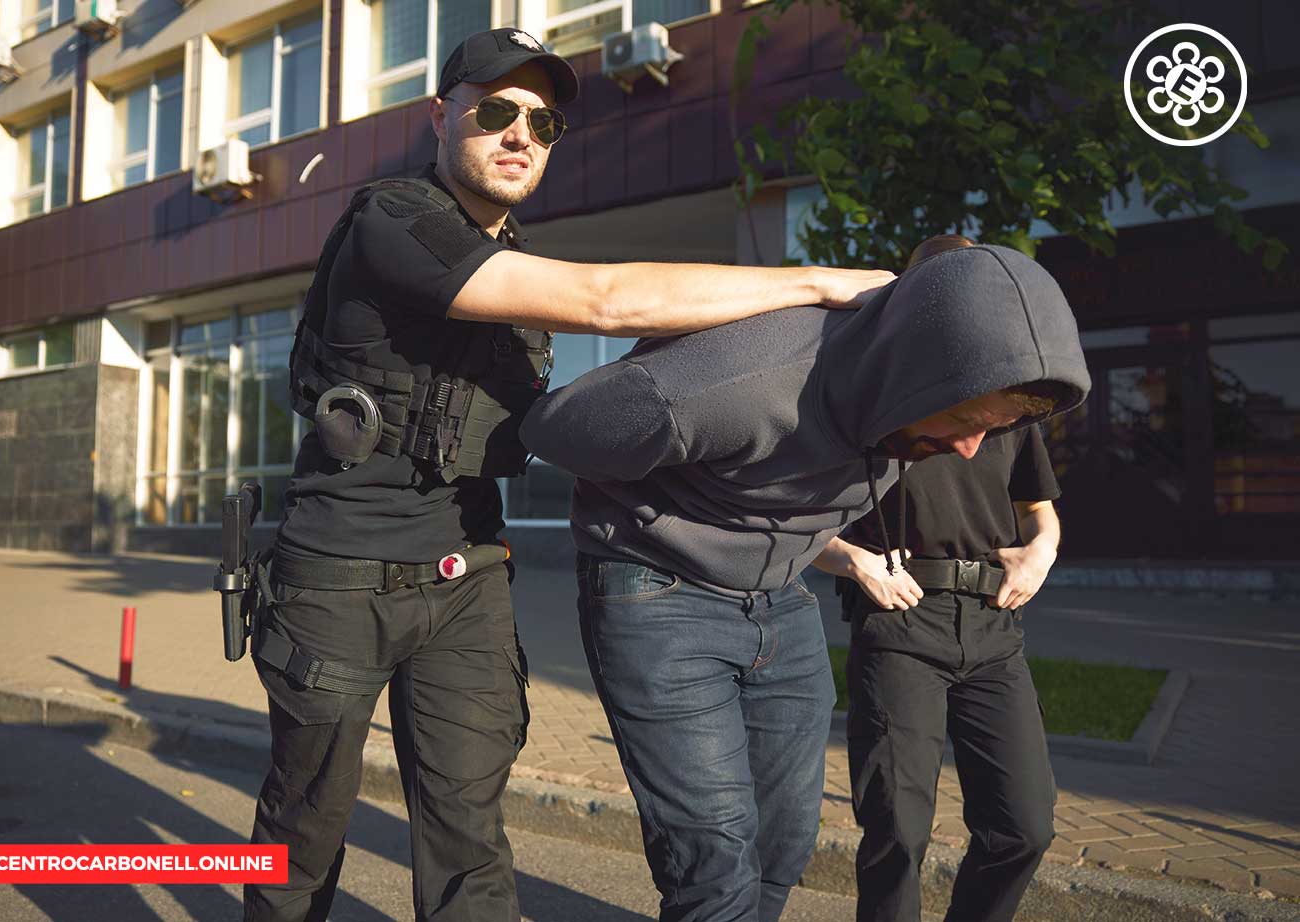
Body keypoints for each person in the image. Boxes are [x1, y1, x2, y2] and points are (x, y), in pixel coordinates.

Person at [243, 26, 895, 922]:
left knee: (470, 830)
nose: (520, 135)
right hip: (337, 575)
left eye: (543, 125)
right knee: (304, 825)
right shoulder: (391, 218)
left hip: (465, 570)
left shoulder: (516, 265)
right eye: (498, 111)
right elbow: (608, 299)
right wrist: (816, 285)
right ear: (441, 117)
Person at [518, 240, 1090, 922]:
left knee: (785, 841)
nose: (970, 449)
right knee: (715, 863)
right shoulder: (733, 389)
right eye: (966, 423)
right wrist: (667, 515)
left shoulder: (912, 408)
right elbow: (557, 432)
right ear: (911, 368)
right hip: (661, 595)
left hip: (781, 600)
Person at [812, 234, 1062, 922]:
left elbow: (1041, 517)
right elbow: (791, 522)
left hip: (993, 629)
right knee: (897, 830)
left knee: (1025, 827)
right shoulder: (865, 397)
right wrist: (854, 561)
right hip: (899, 625)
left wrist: (1038, 555)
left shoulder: (1008, 401)